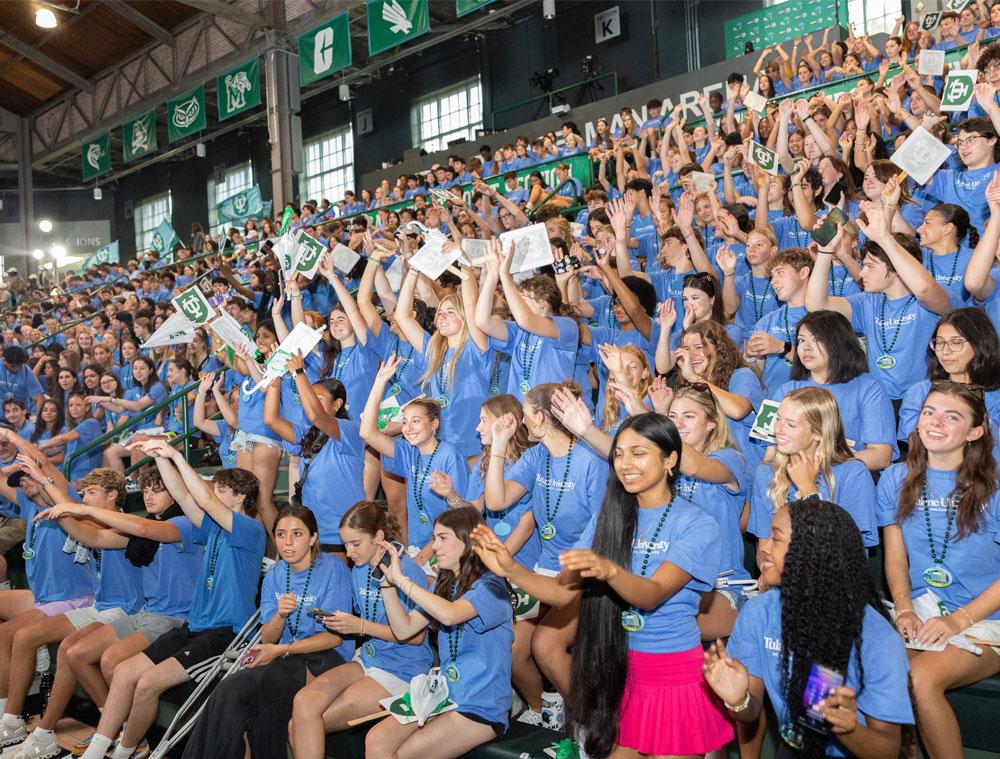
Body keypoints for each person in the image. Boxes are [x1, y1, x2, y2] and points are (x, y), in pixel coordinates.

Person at [473, 413, 732, 758]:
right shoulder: (608, 517)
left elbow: (652, 594)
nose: (626, 463)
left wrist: (609, 570)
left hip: (674, 680)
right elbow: (561, 592)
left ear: (671, 459)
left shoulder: (697, 524)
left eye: (639, 453)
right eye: (620, 454)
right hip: (623, 675)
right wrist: (510, 569)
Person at [76, 442, 264, 759]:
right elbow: (185, 497)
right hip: (196, 625)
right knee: (124, 672)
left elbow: (200, 498)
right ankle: (98, 751)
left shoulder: (250, 528)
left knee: (148, 682)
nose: (212, 494)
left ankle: (124, 752)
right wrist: (161, 458)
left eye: (220, 490)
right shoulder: (214, 529)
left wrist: (177, 455)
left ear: (241, 496)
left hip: (225, 633)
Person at [704, 499, 914, 757]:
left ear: (811, 551)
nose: (763, 549)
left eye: (775, 539)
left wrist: (846, 728)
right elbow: (752, 712)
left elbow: (887, 751)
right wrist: (739, 701)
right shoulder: (760, 612)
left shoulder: (877, 638)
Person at [878, 381, 1000, 758]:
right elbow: (896, 559)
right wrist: (904, 608)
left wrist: (958, 621)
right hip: (922, 610)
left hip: (986, 617)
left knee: (920, 678)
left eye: (953, 416)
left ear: (975, 431)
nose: (936, 422)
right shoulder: (896, 479)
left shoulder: (994, 485)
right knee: (868, 664)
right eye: (929, 412)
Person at [181, 505, 354, 759]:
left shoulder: (332, 569)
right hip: (284, 656)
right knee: (257, 715)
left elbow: (334, 637)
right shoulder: (275, 574)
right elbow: (268, 636)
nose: (288, 543)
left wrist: (283, 649)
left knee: (234, 689)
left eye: (297, 534)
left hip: (324, 659)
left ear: (313, 537)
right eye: (281, 534)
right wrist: (280, 616)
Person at [484, 382, 608, 722]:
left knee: (545, 645)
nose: (523, 423)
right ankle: (547, 710)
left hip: (585, 575)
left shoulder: (590, 460)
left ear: (540, 418)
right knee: (513, 649)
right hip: (545, 571)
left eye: (526, 415)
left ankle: (593, 722)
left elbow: (602, 532)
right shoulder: (536, 455)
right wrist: (498, 444)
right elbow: (495, 501)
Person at [363, 508, 513, 758]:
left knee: (403, 755)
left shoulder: (492, 586)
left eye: (443, 538)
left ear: (468, 542)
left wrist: (403, 581)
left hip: (481, 706)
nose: (434, 546)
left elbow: (451, 614)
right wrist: (388, 586)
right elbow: (404, 629)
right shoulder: (447, 585)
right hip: (443, 697)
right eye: (434, 538)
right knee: (376, 739)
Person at [289, 501, 433, 759]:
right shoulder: (358, 568)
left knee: (301, 726)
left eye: (355, 543)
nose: (349, 551)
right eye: (345, 544)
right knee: (303, 704)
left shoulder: (407, 570)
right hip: (368, 658)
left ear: (378, 537)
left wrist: (361, 626)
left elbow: (416, 636)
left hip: (401, 669)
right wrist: (344, 623)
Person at [360, 359, 468, 564]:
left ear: (434, 424)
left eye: (416, 421)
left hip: (446, 550)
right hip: (418, 548)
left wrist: (421, 559)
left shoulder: (449, 455)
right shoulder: (408, 451)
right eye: (405, 422)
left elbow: (460, 515)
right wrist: (379, 382)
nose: (408, 428)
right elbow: (367, 433)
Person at [749, 387, 879, 548]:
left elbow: (848, 556)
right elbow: (764, 551)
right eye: (778, 419)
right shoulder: (766, 474)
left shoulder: (853, 473)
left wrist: (808, 489)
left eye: (790, 424)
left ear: (818, 432)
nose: (779, 430)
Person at [778, 310, 896, 471]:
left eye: (817, 339)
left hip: (847, 481)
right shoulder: (786, 390)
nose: (806, 348)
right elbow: (770, 451)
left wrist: (826, 458)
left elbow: (881, 456)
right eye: (801, 340)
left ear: (838, 343)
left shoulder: (869, 389)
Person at [897, 308, 1000, 443]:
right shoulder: (920, 392)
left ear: (980, 344)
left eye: (956, 342)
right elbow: (917, 446)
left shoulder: (995, 396)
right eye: (939, 342)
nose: (945, 351)